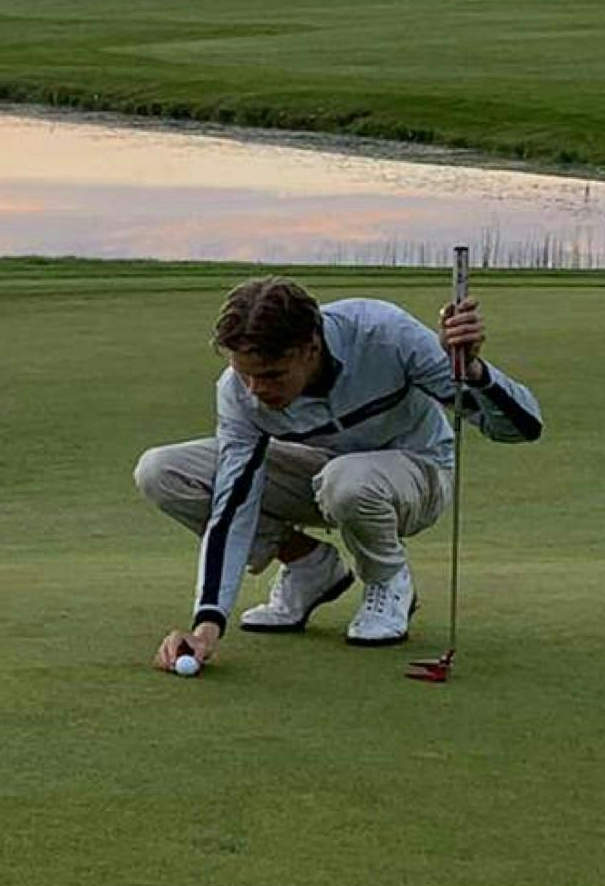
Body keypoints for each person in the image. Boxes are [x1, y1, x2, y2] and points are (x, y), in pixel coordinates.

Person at [138, 274, 539, 673]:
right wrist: (206, 628)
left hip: (418, 472)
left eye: (272, 374)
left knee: (346, 480)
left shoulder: (386, 335)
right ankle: (310, 566)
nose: (255, 390)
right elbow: (234, 503)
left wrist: (476, 373)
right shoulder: (239, 393)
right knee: (162, 471)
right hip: (322, 475)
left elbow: (521, 429)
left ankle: (387, 581)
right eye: (245, 375)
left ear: (311, 347)